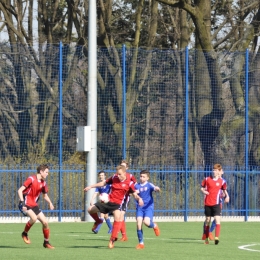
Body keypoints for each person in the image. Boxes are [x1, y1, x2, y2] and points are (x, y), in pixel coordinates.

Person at [84, 165, 144, 249]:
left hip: (117, 204)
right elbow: (103, 183)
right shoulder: (114, 177)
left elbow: (134, 194)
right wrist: (90, 186)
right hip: (108, 201)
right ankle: (98, 221)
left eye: (120, 174)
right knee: (90, 210)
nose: (118, 176)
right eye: (117, 174)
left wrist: (139, 198)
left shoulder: (129, 183)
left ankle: (111, 240)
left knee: (118, 218)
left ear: (124, 173)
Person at [17, 164, 55, 249]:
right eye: (46, 172)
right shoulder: (31, 179)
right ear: (41, 172)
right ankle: (24, 233)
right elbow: (20, 190)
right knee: (33, 218)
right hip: (25, 204)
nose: (47, 174)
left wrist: (50, 203)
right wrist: (23, 203)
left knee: (45, 222)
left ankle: (46, 242)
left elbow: (45, 196)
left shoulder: (43, 183)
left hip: (34, 205)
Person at [200, 163, 229, 245]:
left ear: (219, 172)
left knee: (217, 220)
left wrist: (227, 196)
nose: (214, 171)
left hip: (217, 203)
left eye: (215, 170)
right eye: (213, 170)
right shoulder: (207, 179)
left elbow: (224, 190)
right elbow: (202, 188)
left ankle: (216, 237)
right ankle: (206, 236)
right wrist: (204, 191)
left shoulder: (222, 181)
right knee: (207, 220)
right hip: (208, 203)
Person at [134, 170, 160, 249]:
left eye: (143, 177)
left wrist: (157, 188)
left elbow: (155, 188)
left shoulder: (149, 185)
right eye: (140, 176)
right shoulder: (137, 186)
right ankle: (141, 243)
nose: (141, 178)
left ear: (147, 178)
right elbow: (134, 194)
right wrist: (136, 195)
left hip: (148, 207)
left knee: (146, 222)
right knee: (139, 224)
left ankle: (154, 225)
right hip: (140, 208)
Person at [118, 159, 137, 241]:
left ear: (127, 168)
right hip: (117, 198)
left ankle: (121, 235)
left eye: (124, 166)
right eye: (121, 166)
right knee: (119, 216)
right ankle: (123, 235)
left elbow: (135, 185)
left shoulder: (130, 176)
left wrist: (132, 192)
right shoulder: (117, 175)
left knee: (121, 216)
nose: (122, 167)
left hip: (125, 198)